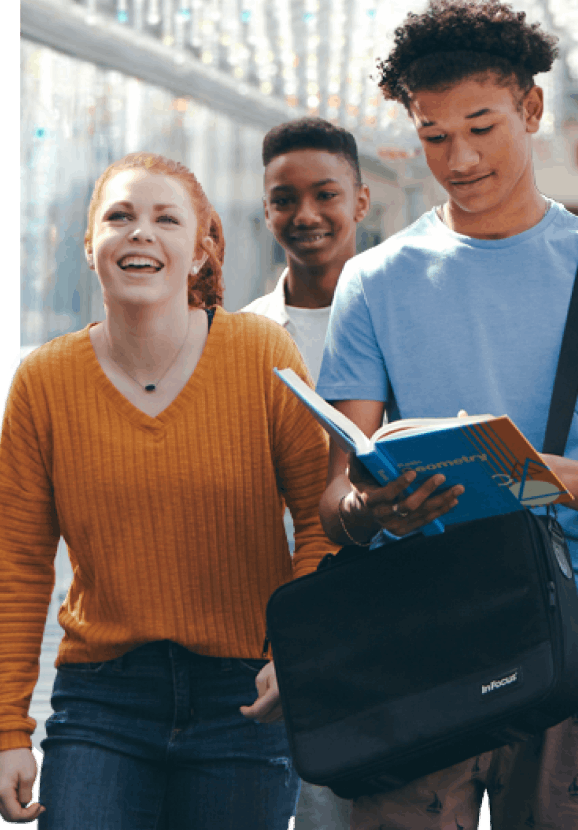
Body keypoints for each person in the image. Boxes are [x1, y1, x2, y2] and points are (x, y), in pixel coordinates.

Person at [309, 0, 578, 830]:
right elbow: (334, 505)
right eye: (433, 134)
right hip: (418, 636)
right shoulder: (375, 282)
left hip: (573, 636)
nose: (458, 159)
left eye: (482, 127)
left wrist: (538, 477)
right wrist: (370, 506)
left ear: (530, 109)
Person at [0, 152, 339, 829]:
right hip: (102, 701)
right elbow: (16, 566)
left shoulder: (262, 356)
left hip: (247, 695)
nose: (140, 232)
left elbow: (322, 523)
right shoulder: (43, 381)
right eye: (120, 217)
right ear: (90, 247)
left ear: (201, 253)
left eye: (165, 219)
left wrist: (300, 653)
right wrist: (7, 731)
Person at [242, 117, 371, 829]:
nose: (305, 215)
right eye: (283, 199)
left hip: (394, 610)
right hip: (281, 628)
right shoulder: (243, 340)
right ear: (265, 210)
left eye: (325, 194)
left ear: (361, 198)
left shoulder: (402, 316)